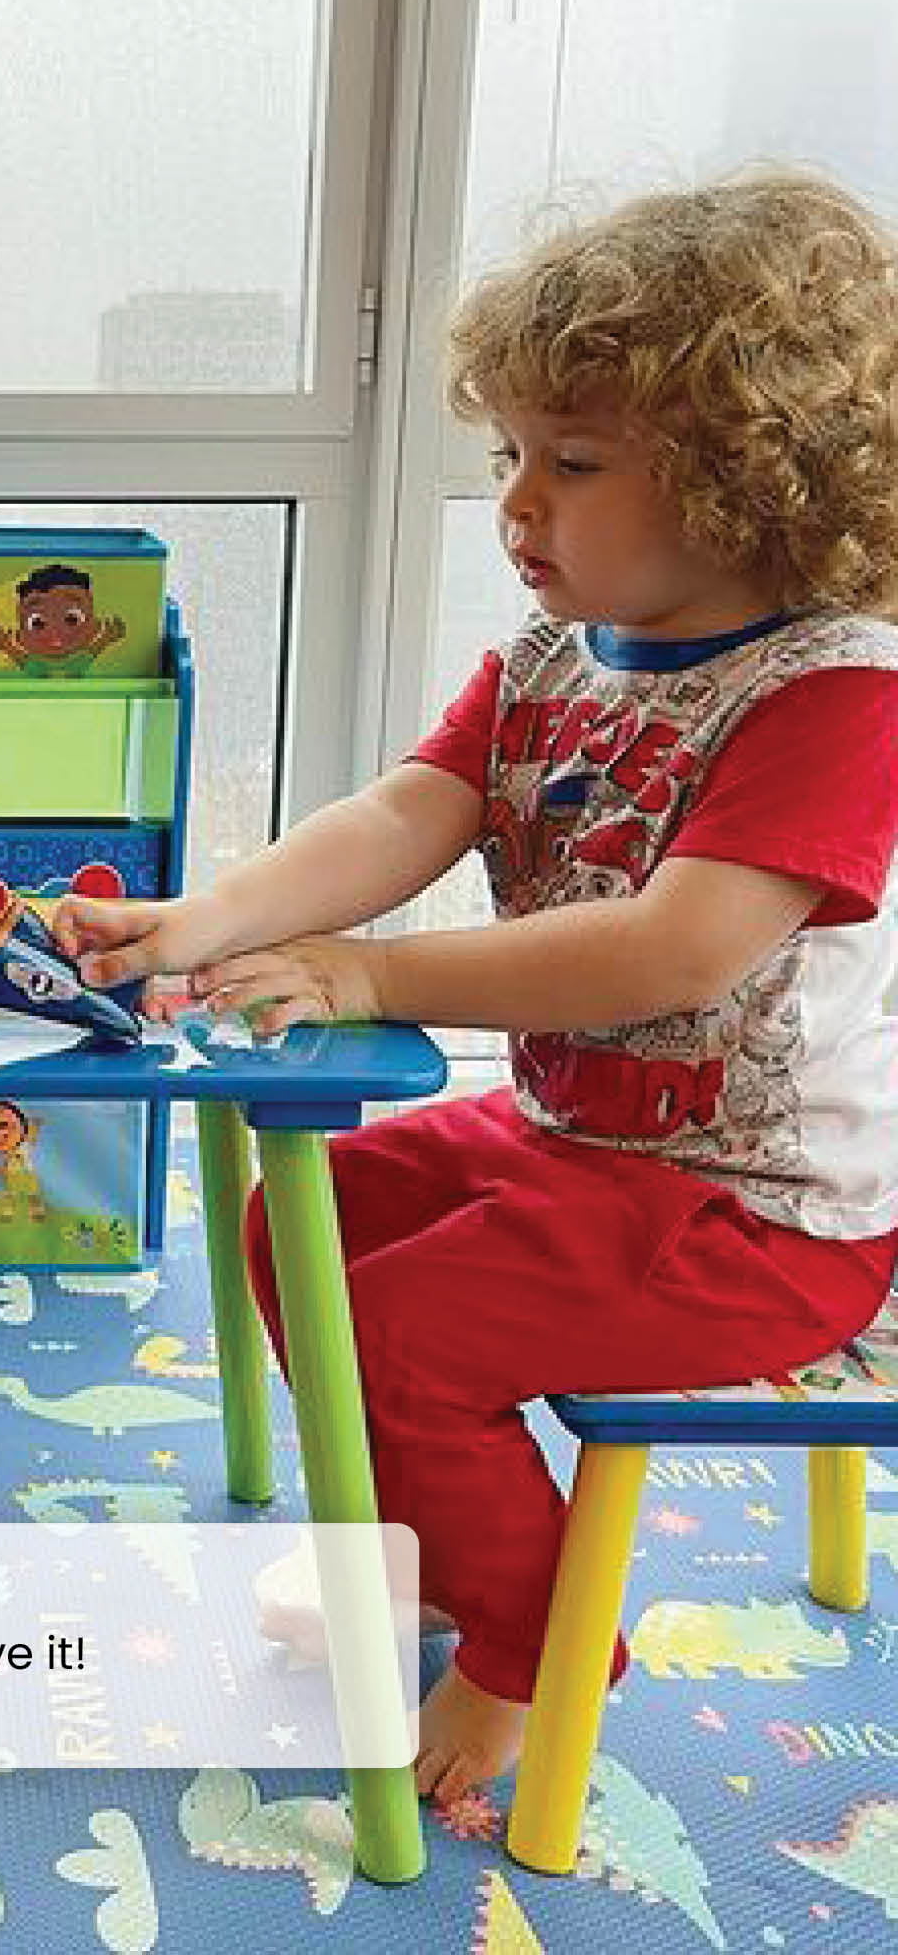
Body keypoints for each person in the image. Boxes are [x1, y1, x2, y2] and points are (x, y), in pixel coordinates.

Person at [53, 171, 898, 1804]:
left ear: (749, 478)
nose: (516, 505)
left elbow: (679, 947)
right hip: (578, 1141)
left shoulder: (836, 691)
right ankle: (444, 1551)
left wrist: (370, 973)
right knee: (296, 1228)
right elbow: (405, 815)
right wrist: (206, 917)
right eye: (510, 454)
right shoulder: (555, 655)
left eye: (572, 464)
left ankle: (532, 1646)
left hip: (756, 1212)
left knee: (398, 1332)